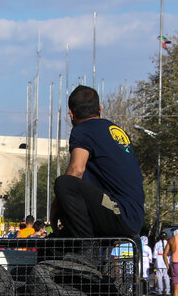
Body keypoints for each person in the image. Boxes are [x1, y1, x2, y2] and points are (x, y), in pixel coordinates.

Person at [50, 85, 144, 238]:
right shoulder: (117, 131)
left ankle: (86, 249)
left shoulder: (83, 130)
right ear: (100, 109)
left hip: (119, 213)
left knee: (65, 183)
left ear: (71, 114)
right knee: (53, 244)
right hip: (133, 216)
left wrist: (56, 206)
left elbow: (76, 170)